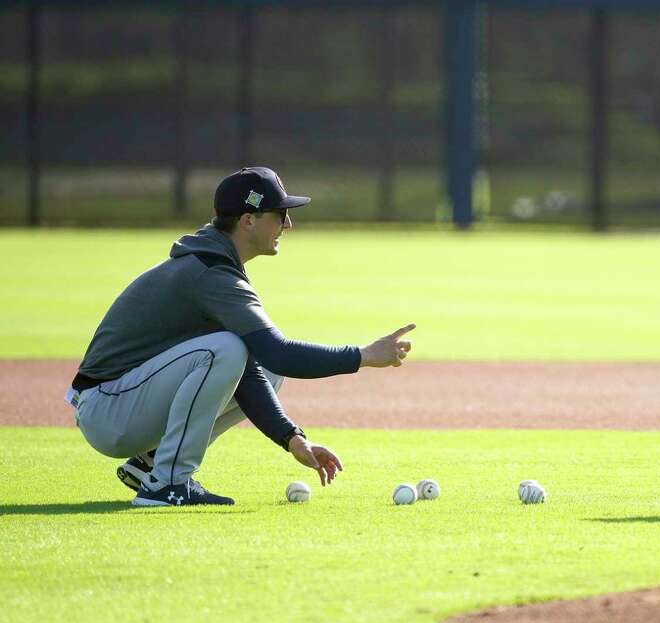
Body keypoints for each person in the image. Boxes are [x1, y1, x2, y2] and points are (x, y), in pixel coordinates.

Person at [65, 166, 415, 506]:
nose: (288, 224)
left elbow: (257, 368)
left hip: (122, 403)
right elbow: (281, 353)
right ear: (248, 220)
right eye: (280, 214)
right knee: (229, 349)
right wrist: (364, 355)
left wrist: (293, 439)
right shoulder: (210, 273)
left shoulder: (213, 262)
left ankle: (152, 463)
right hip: (108, 410)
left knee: (257, 363)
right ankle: (168, 483)